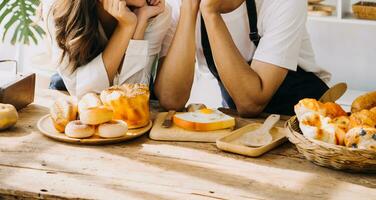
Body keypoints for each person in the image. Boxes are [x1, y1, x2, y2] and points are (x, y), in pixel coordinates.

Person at [154, 0, 331, 116]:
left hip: (306, 124)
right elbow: (171, 99)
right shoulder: (178, 6)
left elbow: (251, 103)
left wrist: (210, 13)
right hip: (242, 125)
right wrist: (190, 9)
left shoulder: (284, 3)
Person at [44, 0, 171, 97]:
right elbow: (84, 93)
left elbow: (131, 95)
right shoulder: (58, 8)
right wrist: (125, 28)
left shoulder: (155, 12)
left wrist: (140, 22)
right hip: (70, 99)